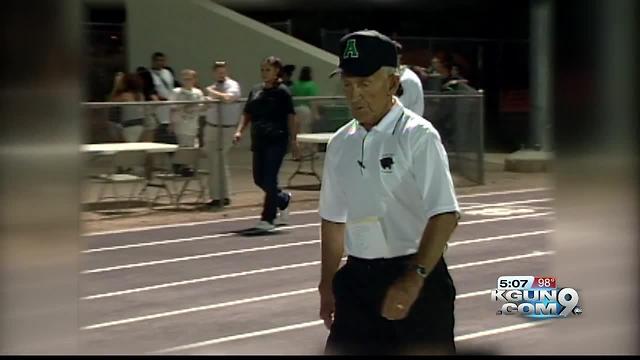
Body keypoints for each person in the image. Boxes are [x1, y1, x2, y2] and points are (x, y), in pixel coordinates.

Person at [319, 30, 460, 355]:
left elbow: (445, 214)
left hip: (415, 278)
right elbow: (332, 219)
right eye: (348, 84)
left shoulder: (418, 137)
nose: (355, 95)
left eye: (365, 83)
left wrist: (413, 279)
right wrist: (327, 284)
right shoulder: (340, 143)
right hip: (357, 281)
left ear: (393, 83)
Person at [233, 56, 300, 231]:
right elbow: (247, 113)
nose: (264, 73)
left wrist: (294, 140)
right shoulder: (256, 90)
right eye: (262, 69)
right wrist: (240, 130)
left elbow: (291, 116)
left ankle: (268, 218)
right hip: (259, 139)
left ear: (277, 71)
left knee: (270, 178)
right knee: (259, 179)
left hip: (277, 139)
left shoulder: (283, 92)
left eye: (268, 70)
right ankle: (282, 199)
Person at [204, 61, 242, 208]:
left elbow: (228, 98)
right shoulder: (213, 87)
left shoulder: (232, 85)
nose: (220, 73)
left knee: (219, 159)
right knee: (213, 162)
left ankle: (223, 196)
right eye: (218, 71)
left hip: (226, 128)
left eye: (223, 71)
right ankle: (216, 196)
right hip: (212, 127)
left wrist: (213, 93)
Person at [149, 52, 181, 143]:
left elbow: (174, 85)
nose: (160, 62)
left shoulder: (168, 72)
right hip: (160, 106)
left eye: (162, 60)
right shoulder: (149, 74)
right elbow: (150, 90)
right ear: (153, 61)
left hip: (170, 104)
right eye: (158, 60)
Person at [170, 69, 205, 148]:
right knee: (183, 148)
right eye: (185, 79)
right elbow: (172, 108)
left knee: (193, 148)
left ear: (194, 80)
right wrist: (171, 124)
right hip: (180, 126)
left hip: (193, 125)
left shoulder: (198, 92)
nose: (187, 81)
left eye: (189, 79)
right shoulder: (176, 92)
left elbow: (202, 108)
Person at [109, 72, 146, 142]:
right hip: (139, 125)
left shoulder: (123, 96)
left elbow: (112, 105)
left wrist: (115, 87)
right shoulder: (140, 95)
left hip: (126, 126)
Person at [396, 48, 425, 116]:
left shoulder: (406, 80)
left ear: (398, 57)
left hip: (407, 125)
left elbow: (397, 112)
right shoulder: (398, 76)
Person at [290, 66, 319, 133]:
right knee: (306, 130)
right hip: (306, 110)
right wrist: (315, 113)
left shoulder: (295, 84)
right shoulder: (311, 85)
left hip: (295, 109)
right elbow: (313, 101)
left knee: (296, 130)